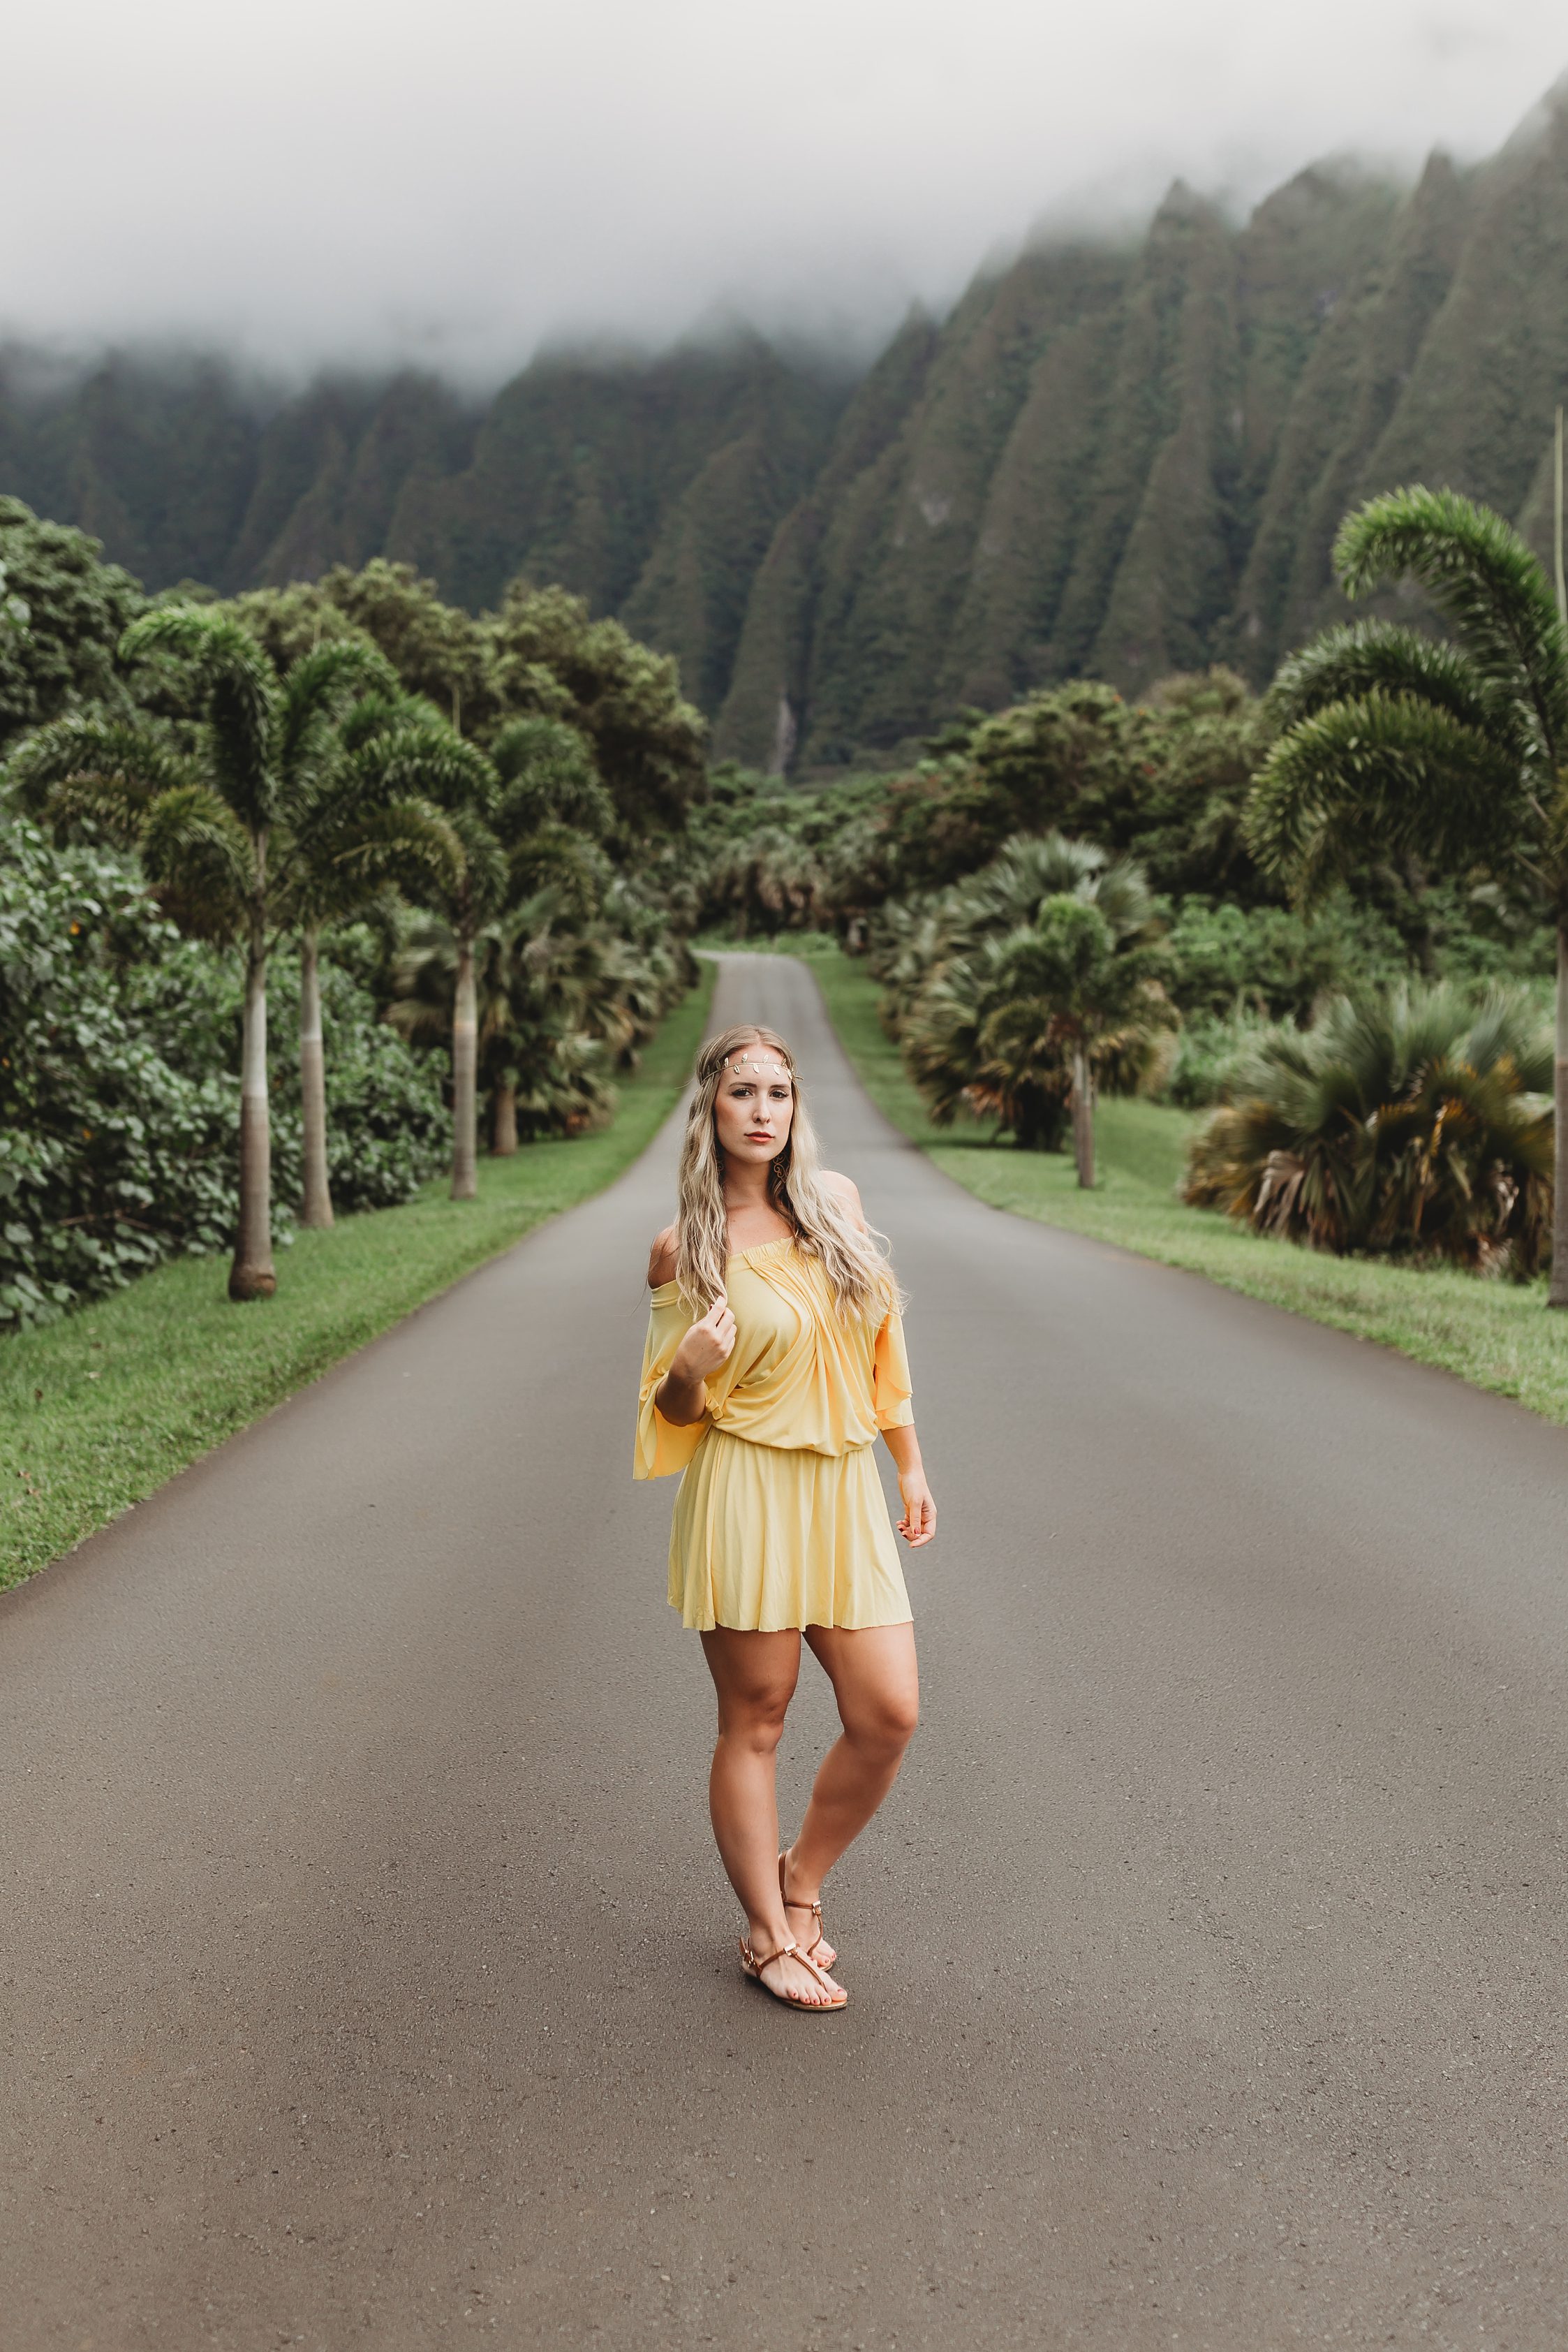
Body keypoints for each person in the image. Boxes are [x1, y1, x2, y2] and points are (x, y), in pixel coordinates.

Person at [635, 1022, 937, 2011]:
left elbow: (879, 1339)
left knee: (887, 1712)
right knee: (755, 1720)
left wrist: (909, 1465)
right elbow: (673, 1411)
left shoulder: (834, 1206)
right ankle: (767, 1935)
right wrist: (685, 1371)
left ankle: (799, 1879)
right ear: (709, 1111)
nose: (762, 1112)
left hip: (842, 1490)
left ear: (795, 1109)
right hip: (747, 1492)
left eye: (777, 1094)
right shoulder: (687, 1249)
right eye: (742, 1094)